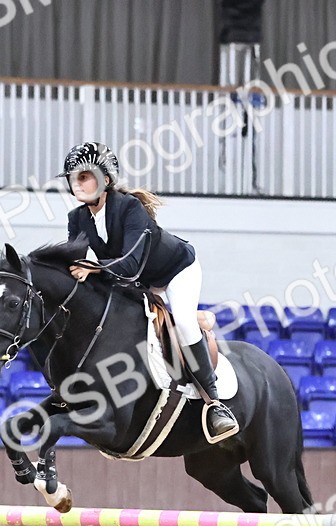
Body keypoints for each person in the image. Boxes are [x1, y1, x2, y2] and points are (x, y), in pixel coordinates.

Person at [58, 141, 239, 443]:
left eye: (85, 176)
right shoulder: (76, 219)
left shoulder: (130, 208)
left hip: (175, 270)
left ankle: (214, 403)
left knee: (181, 321)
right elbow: (75, 259)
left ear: (105, 179)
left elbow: (129, 264)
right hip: (137, 280)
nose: (78, 184)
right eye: (74, 178)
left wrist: (96, 268)